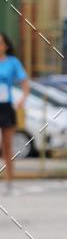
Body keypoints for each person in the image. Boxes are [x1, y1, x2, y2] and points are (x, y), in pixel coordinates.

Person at [0, 33, 29, 194]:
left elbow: (25, 82)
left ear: (6, 46)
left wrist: (22, 99)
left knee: (7, 146)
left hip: (6, 107)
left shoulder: (13, 62)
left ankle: (9, 181)